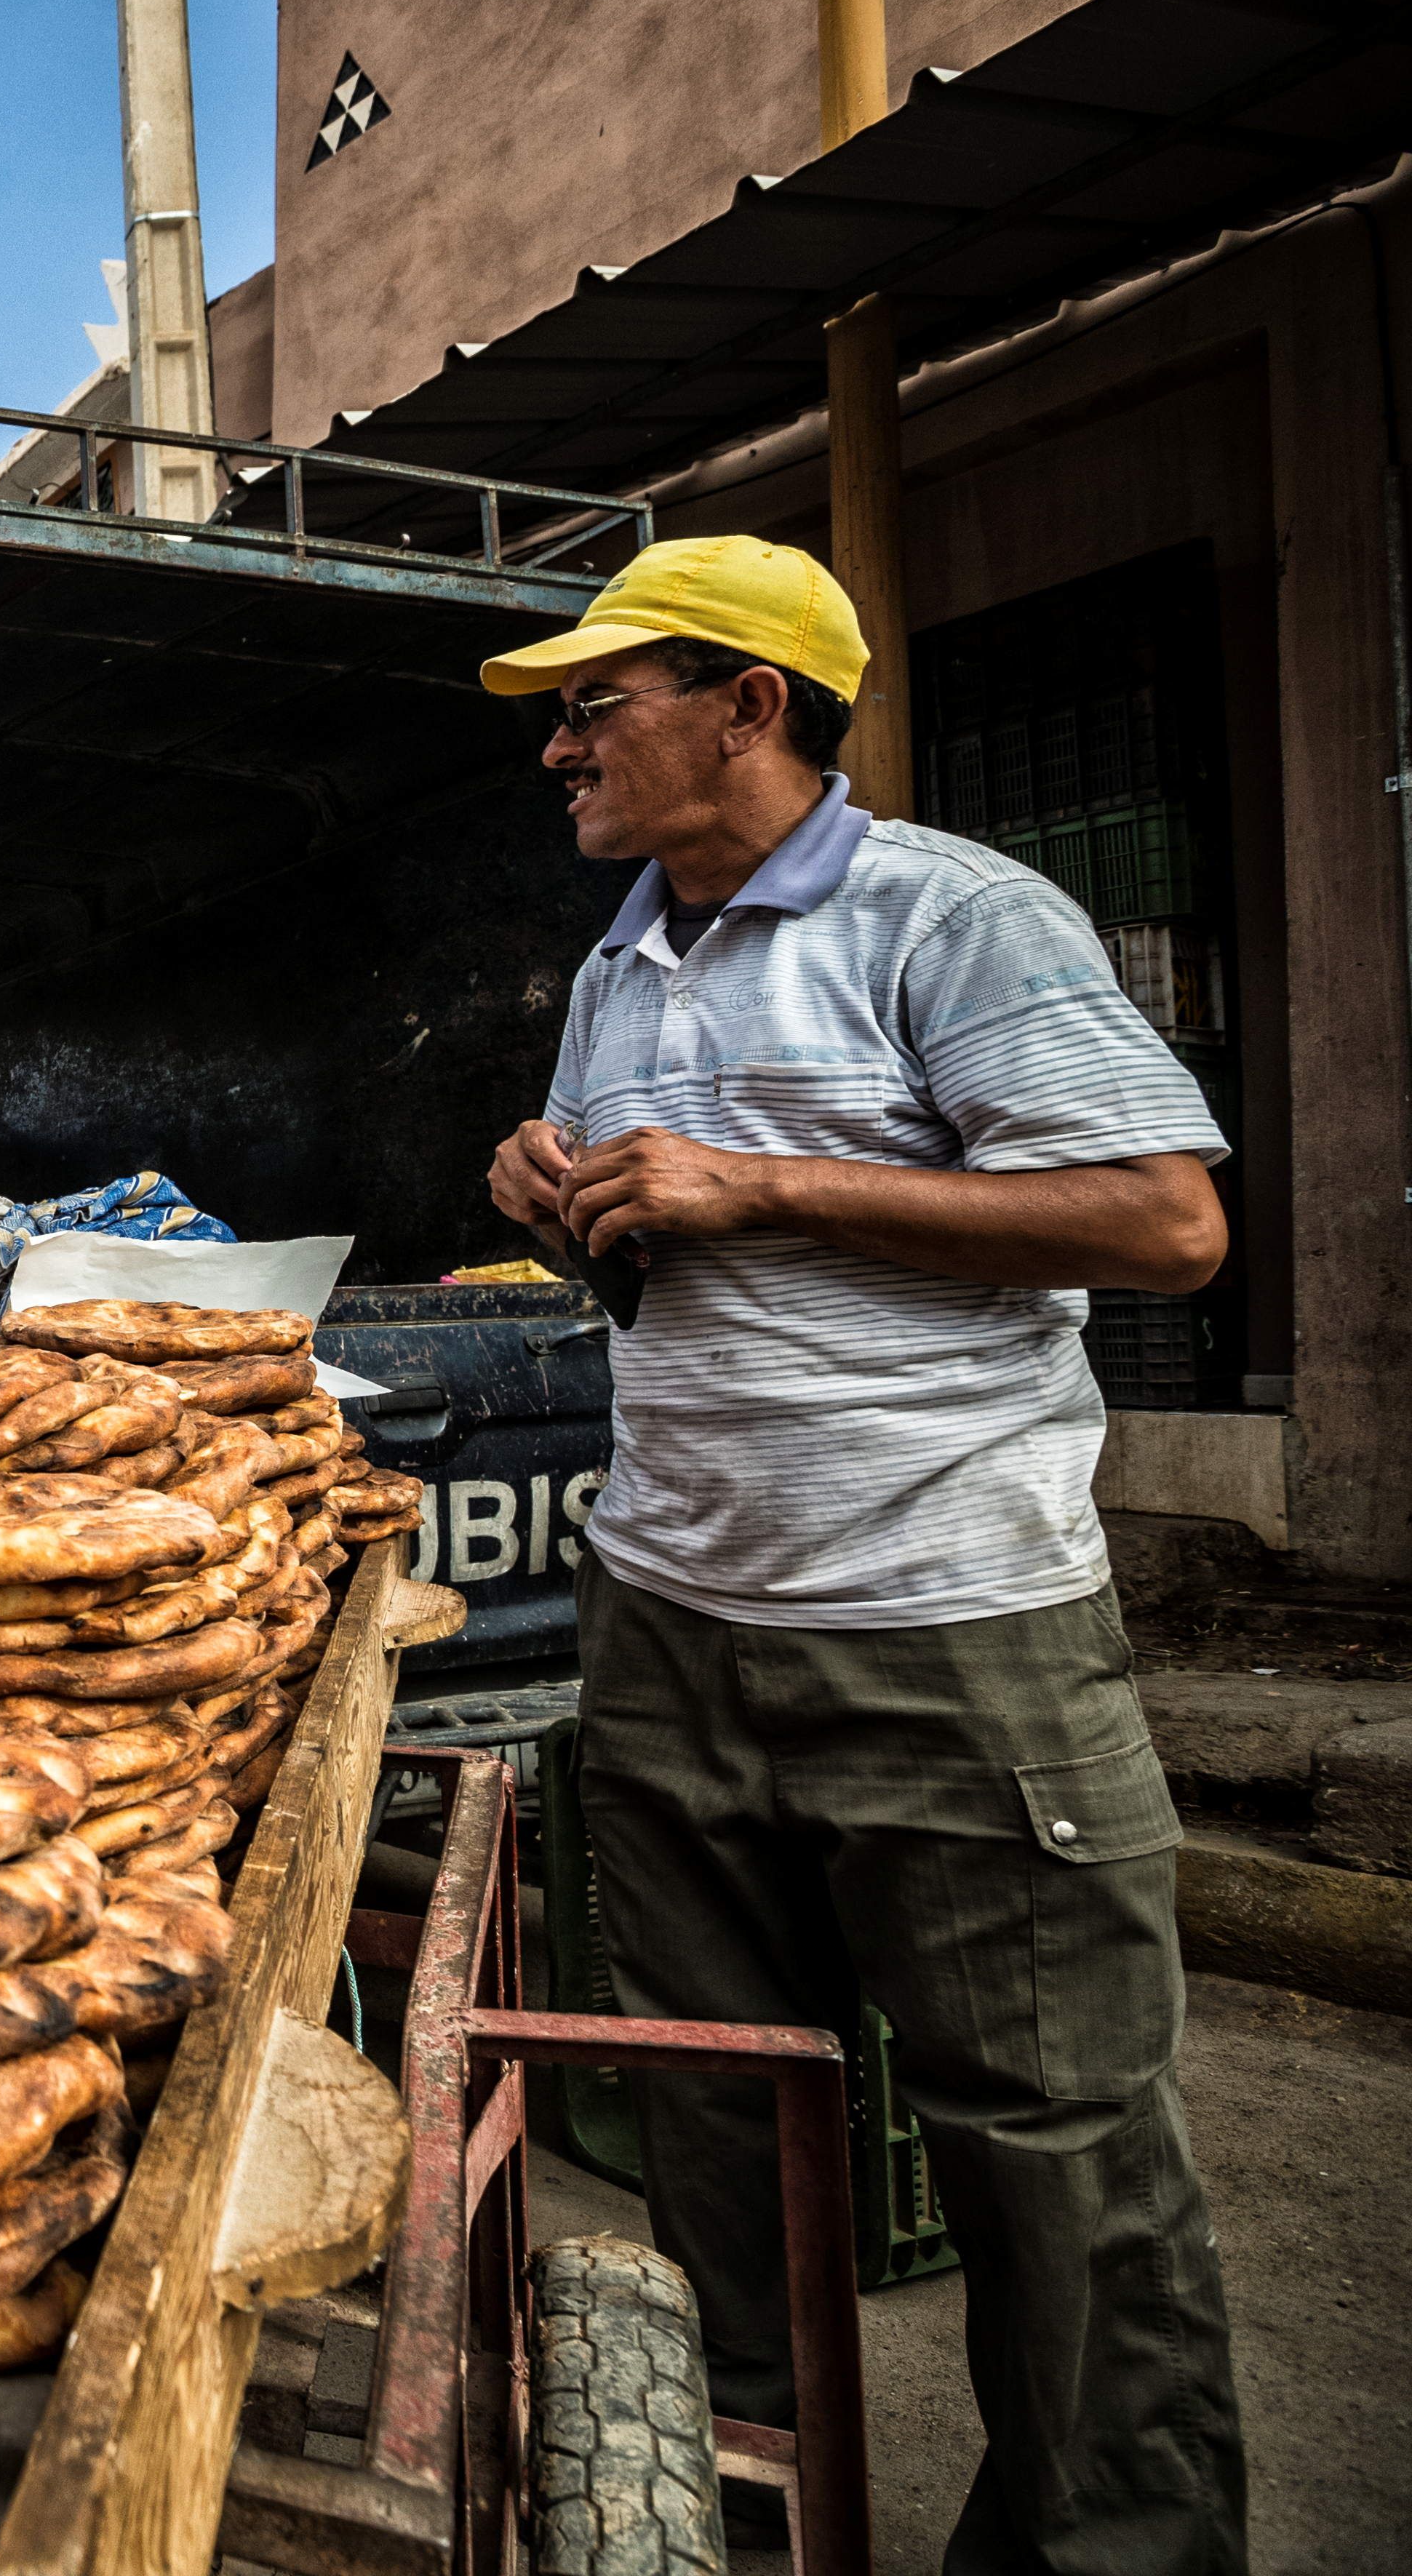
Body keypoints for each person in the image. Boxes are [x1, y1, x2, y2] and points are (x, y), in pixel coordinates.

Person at [474, 534, 1244, 2568]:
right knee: (721, 2130)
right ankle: (735, 2520)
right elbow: (659, 1246)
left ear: (754, 707)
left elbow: (1166, 1223)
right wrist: (556, 1195)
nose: (559, 744)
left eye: (594, 701)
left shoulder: (953, 916)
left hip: (948, 1632)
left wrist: (760, 1193)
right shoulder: (618, 962)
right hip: (676, 1618)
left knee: (1060, 2157)